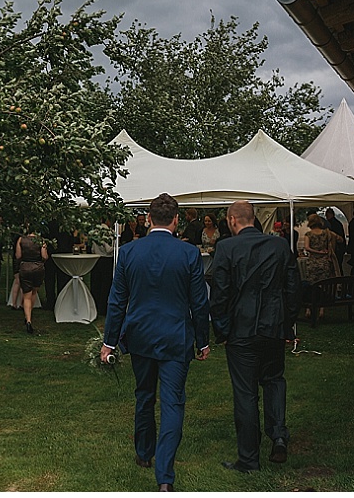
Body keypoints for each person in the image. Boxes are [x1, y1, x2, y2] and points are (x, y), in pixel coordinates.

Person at [101, 193, 210, 492]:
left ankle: (144, 453)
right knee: (173, 402)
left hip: (141, 335)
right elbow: (199, 303)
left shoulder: (129, 252)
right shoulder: (188, 254)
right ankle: (164, 476)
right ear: (176, 221)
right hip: (176, 337)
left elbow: (116, 302)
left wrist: (109, 342)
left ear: (149, 219)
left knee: (145, 394)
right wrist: (203, 341)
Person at [210, 200, 300, 474]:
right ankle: (279, 436)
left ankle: (249, 459)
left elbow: (220, 294)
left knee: (246, 392)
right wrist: (288, 325)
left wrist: (222, 330)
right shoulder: (279, 246)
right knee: (274, 380)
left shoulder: (226, 248)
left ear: (233, 220)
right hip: (273, 327)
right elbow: (293, 289)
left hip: (242, 331)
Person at [15, 229, 49, 334]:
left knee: (26, 295)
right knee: (34, 292)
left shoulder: (21, 239)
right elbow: (44, 256)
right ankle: (29, 315)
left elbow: (18, 256)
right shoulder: (41, 240)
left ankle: (28, 319)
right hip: (38, 268)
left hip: (25, 267)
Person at [90, 221, 115, 316]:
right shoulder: (108, 233)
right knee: (105, 285)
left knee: (96, 284)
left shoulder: (95, 231)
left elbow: (92, 249)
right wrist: (117, 247)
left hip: (96, 259)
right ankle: (102, 308)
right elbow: (108, 249)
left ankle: (95, 306)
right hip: (106, 260)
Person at [324, 208, 346, 275]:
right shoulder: (338, 223)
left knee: (336, 266)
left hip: (336, 248)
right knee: (338, 266)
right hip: (340, 248)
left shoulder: (331, 224)